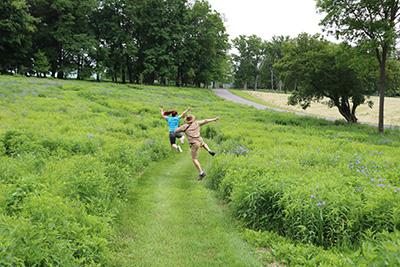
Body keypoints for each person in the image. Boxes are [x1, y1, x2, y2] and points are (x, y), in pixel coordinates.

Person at [175, 114, 219, 180]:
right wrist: (214, 119)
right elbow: (206, 120)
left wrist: (180, 128)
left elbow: (175, 131)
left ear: (187, 120)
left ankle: (201, 173)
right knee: (203, 143)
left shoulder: (185, 126)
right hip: (199, 139)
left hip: (194, 143)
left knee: (194, 159)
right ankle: (209, 150)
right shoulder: (197, 123)